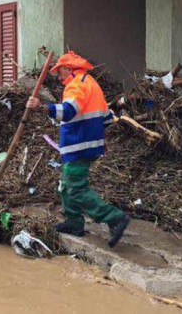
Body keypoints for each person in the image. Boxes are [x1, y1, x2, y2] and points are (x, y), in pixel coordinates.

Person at [27, 51, 130, 248]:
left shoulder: (75, 86)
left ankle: (114, 218)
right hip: (89, 144)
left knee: (75, 186)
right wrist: (100, 140)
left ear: (70, 69)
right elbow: (107, 117)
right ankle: (74, 222)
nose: (59, 77)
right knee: (67, 183)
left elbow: (67, 112)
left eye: (60, 71)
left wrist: (41, 107)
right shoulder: (91, 84)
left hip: (78, 145)